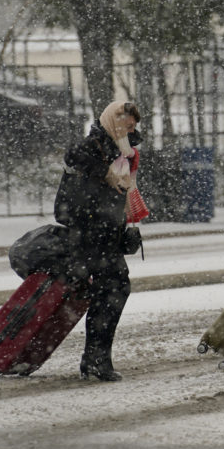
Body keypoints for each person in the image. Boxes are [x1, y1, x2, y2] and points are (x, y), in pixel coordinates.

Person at [54, 100, 143, 382]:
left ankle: (96, 358)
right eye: (123, 124)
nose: (127, 130)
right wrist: (104, 171)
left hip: (106, 235)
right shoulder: (92, 146)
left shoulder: (124, 153)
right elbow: (73, 156)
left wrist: (130, 228)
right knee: (113, 289)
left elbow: (127, 193)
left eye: (131, 126)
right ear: (109, 121)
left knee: (112, 291)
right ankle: (95, 359)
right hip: (87, 235)